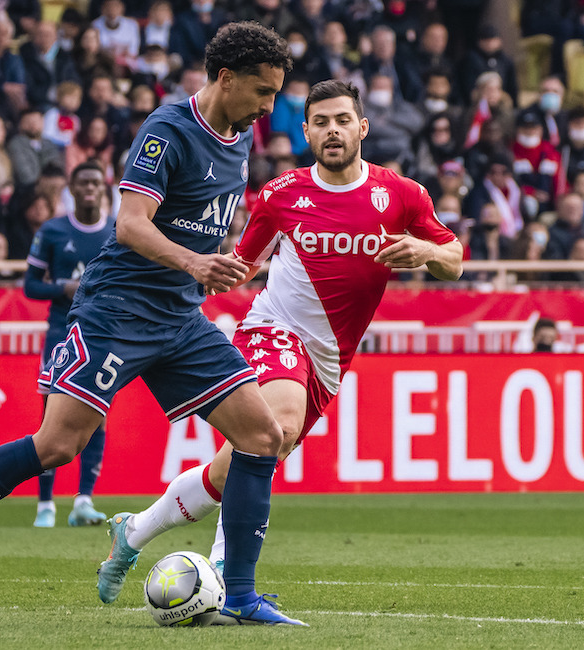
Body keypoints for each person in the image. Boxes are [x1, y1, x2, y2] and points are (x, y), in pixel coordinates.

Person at [0, 22, 299, 627]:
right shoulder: (168, 130)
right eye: (262, 92)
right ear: (225, 78)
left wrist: (217, 267)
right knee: (58, 445)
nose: (269, 107)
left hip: (180, 317)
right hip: (118, 311)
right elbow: (131, 223)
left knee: (263, 437)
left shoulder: (239, 138)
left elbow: (199, 224)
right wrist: (192, 262)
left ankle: (238, 594)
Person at [95, 80, 463, 623]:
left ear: (362, 128)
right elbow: (240, 266)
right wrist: (174, 285)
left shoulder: (403, 195)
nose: (332, 130)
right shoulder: (281, 194)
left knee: (239, 466)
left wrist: (428, 250)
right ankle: (225, 584)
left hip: (329, 361)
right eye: (320, 122)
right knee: (279, 426)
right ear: (306, 132)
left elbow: (455, 259)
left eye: (342, 120)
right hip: (273, 330)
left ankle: (135, 531)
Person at [24, 161, 113, 528]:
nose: (90, 188)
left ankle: (83, 501)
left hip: (105, 334)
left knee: (98, 415)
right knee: (51, 417)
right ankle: (46, 504)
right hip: (62, 333)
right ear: (72, 189)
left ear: (103, 188)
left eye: (96, 182)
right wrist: (63, 287)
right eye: (83, 182)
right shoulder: (53, 230)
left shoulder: (118, 231)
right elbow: (30, 285)